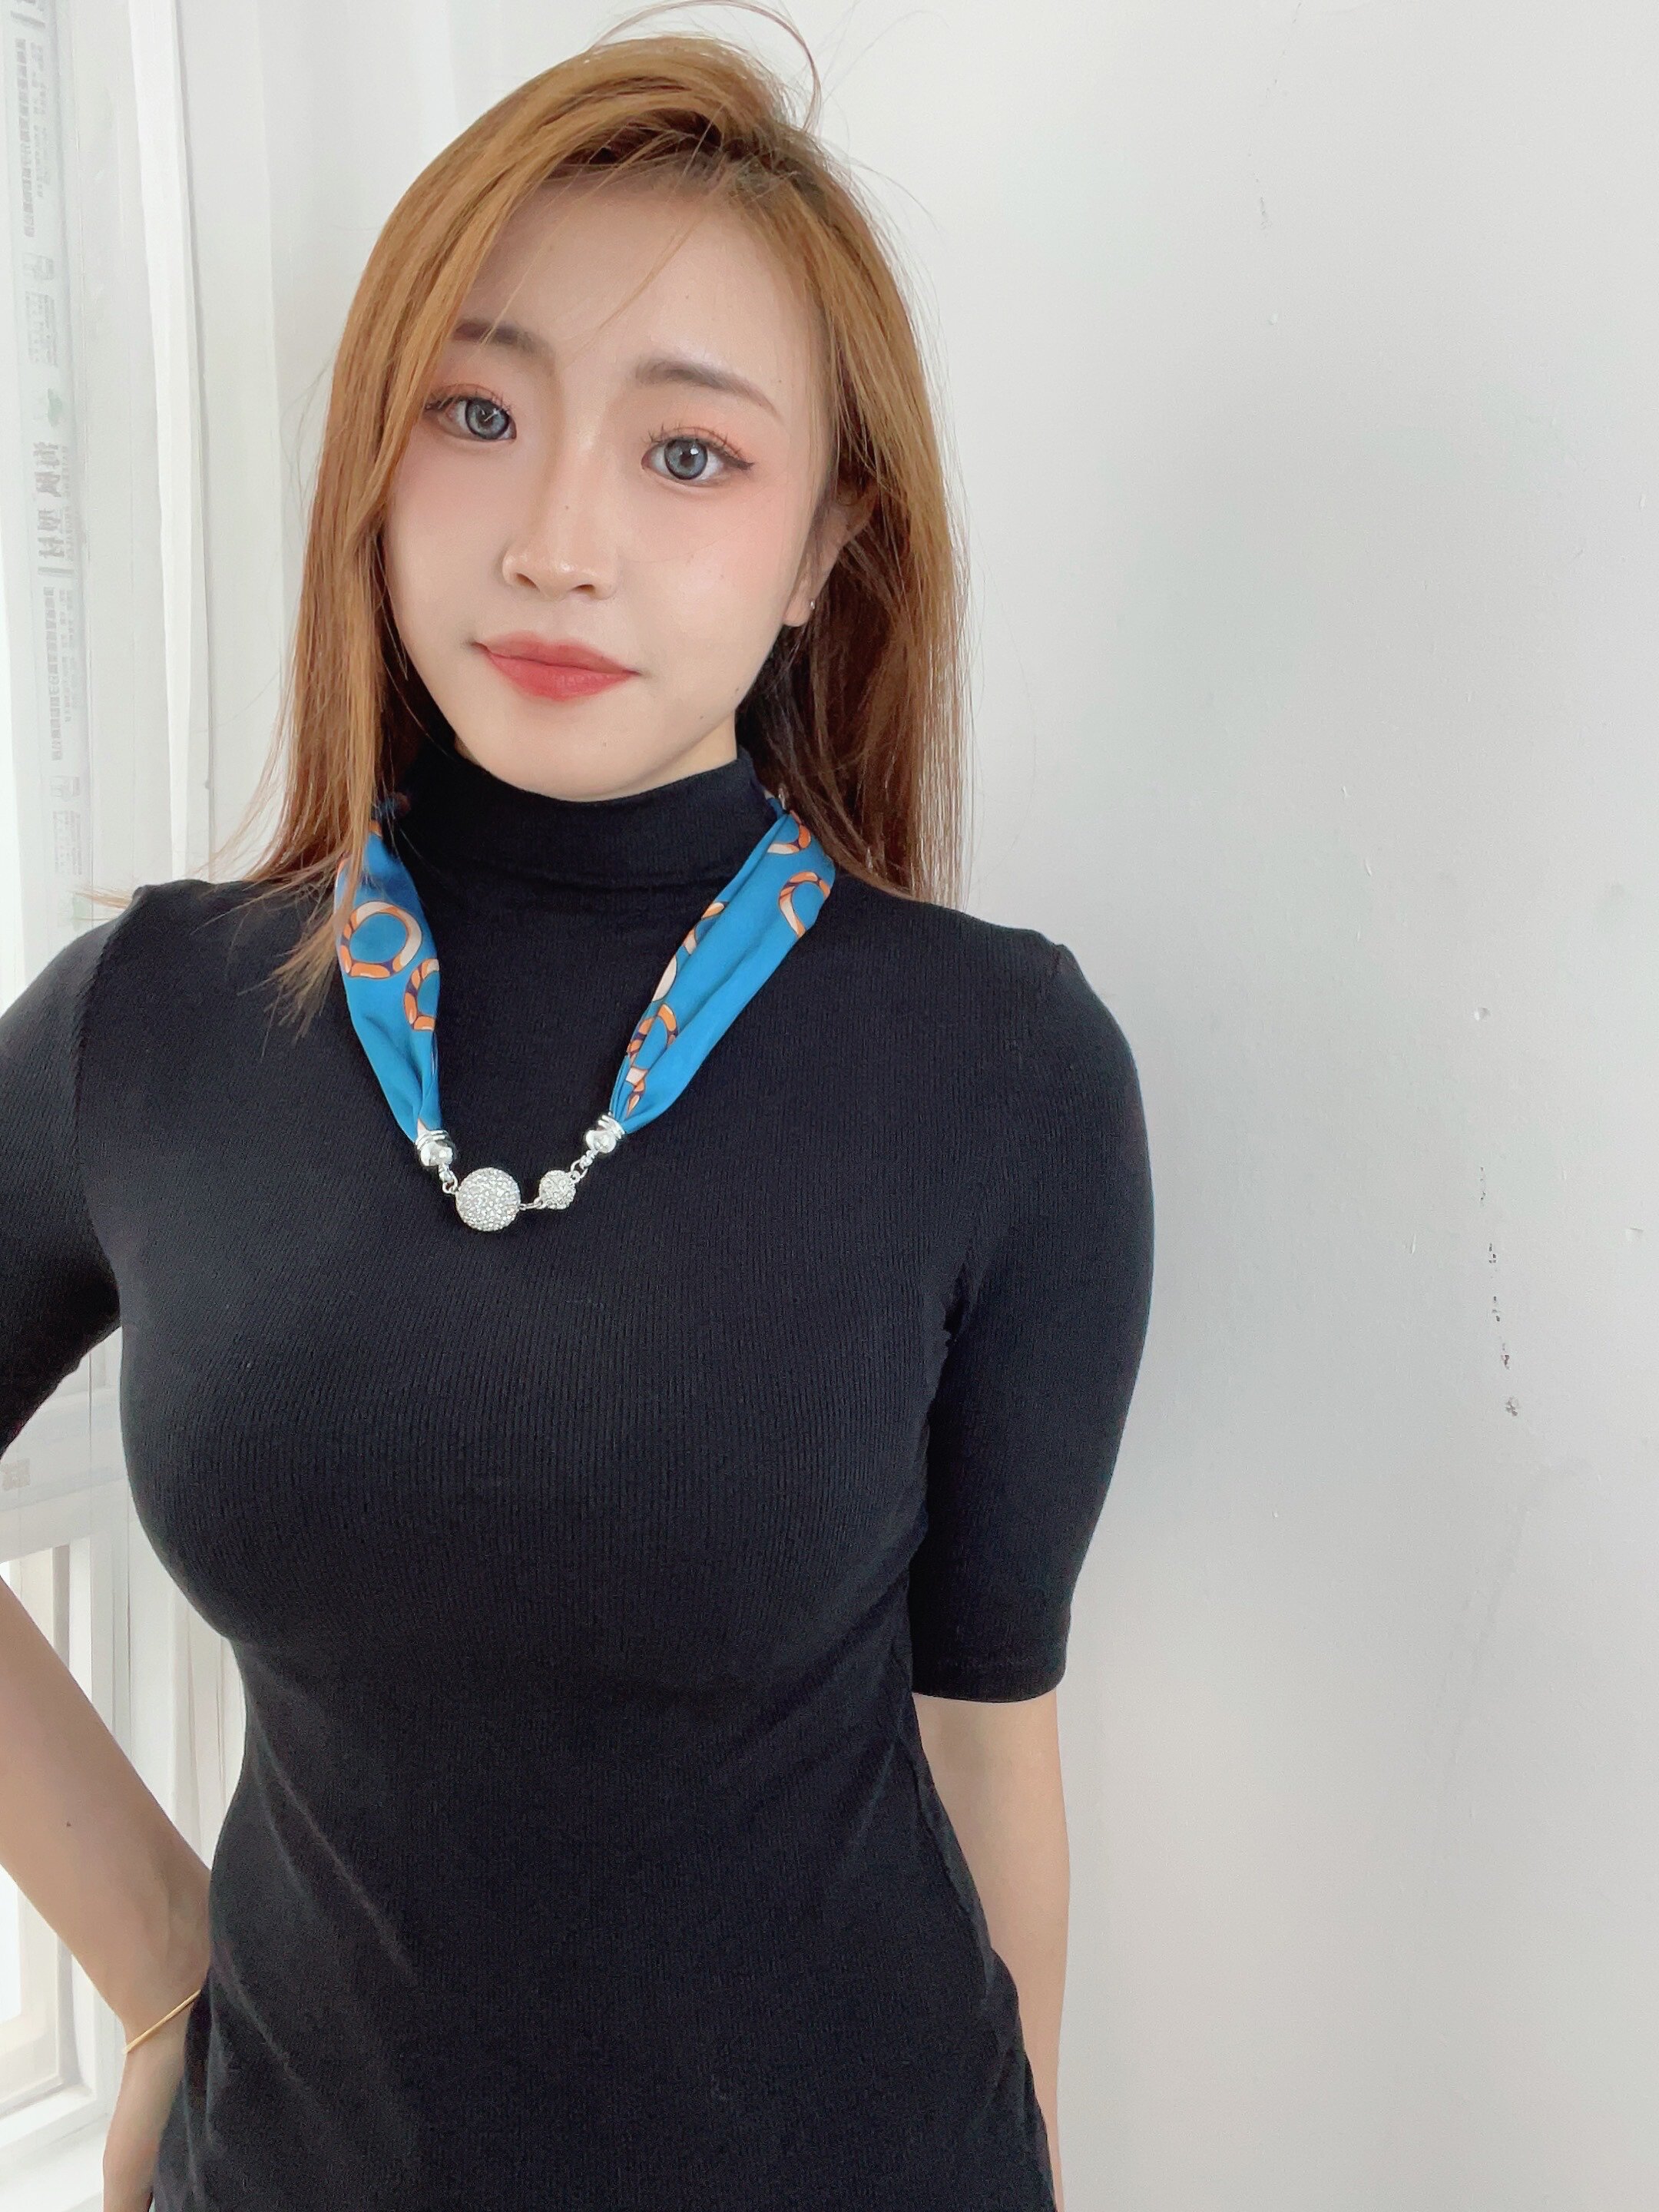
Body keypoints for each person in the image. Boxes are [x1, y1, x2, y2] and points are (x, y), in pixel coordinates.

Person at [0, 20, 1152, 2212]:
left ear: (826, 545)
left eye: (689, 454)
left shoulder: (1003, 1069)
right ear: (376, 456)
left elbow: (989, 1729)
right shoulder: (147, 1023)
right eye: (477, 412)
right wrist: (154, 1963)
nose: (556, 541)